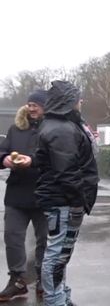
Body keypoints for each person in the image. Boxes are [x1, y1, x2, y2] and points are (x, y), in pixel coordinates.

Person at [35, 81, 99, 306]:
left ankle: (62, 296)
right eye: (78, 98)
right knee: (57, 255)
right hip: (64, 201)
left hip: (63, 200)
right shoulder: (60, 129)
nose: (81, 101)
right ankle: (55, 300)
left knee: (61, 254)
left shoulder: (62, 124)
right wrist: (78, 201)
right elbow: (67, 172)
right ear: (68, 101)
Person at [0, 90, 48, 301]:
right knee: (12, 237)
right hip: (17, 194)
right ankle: (17, 280)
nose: (31, 107)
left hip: (45, 193)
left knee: (45, 240)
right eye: (29, 104)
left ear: (46, 107)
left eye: (36, 104)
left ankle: (44, 279)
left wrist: (33, 162)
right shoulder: (16, 129)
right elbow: (1, 151)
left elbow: (58, 158)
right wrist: (4, 160)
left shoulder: (53, 129)